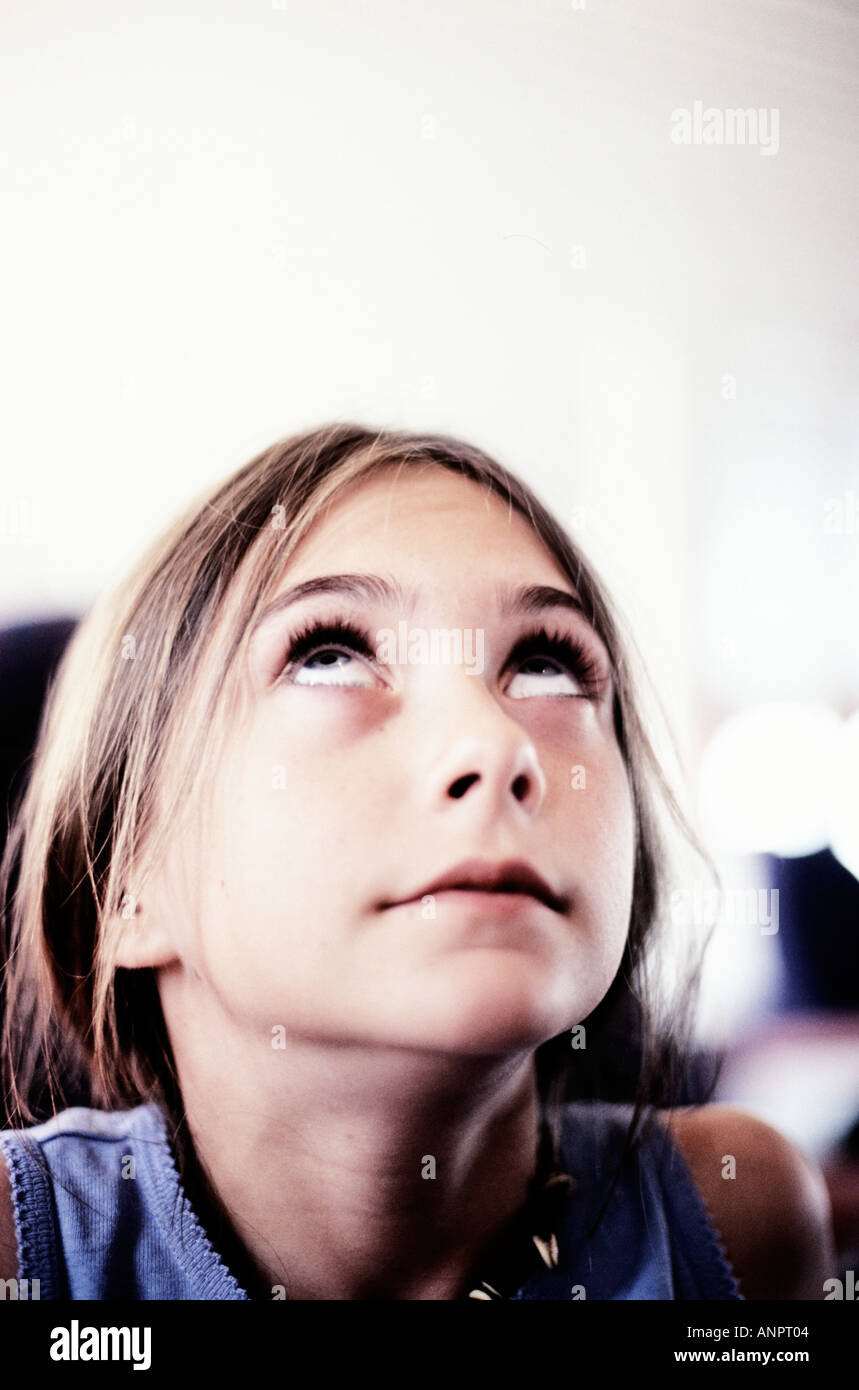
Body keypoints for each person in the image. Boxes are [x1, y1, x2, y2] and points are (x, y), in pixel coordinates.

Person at [0, 424, 835, 1300]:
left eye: (547, 666)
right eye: (329, 654)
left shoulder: (738, 1222)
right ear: (126, 884)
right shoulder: (24, 1256)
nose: (496, 743)